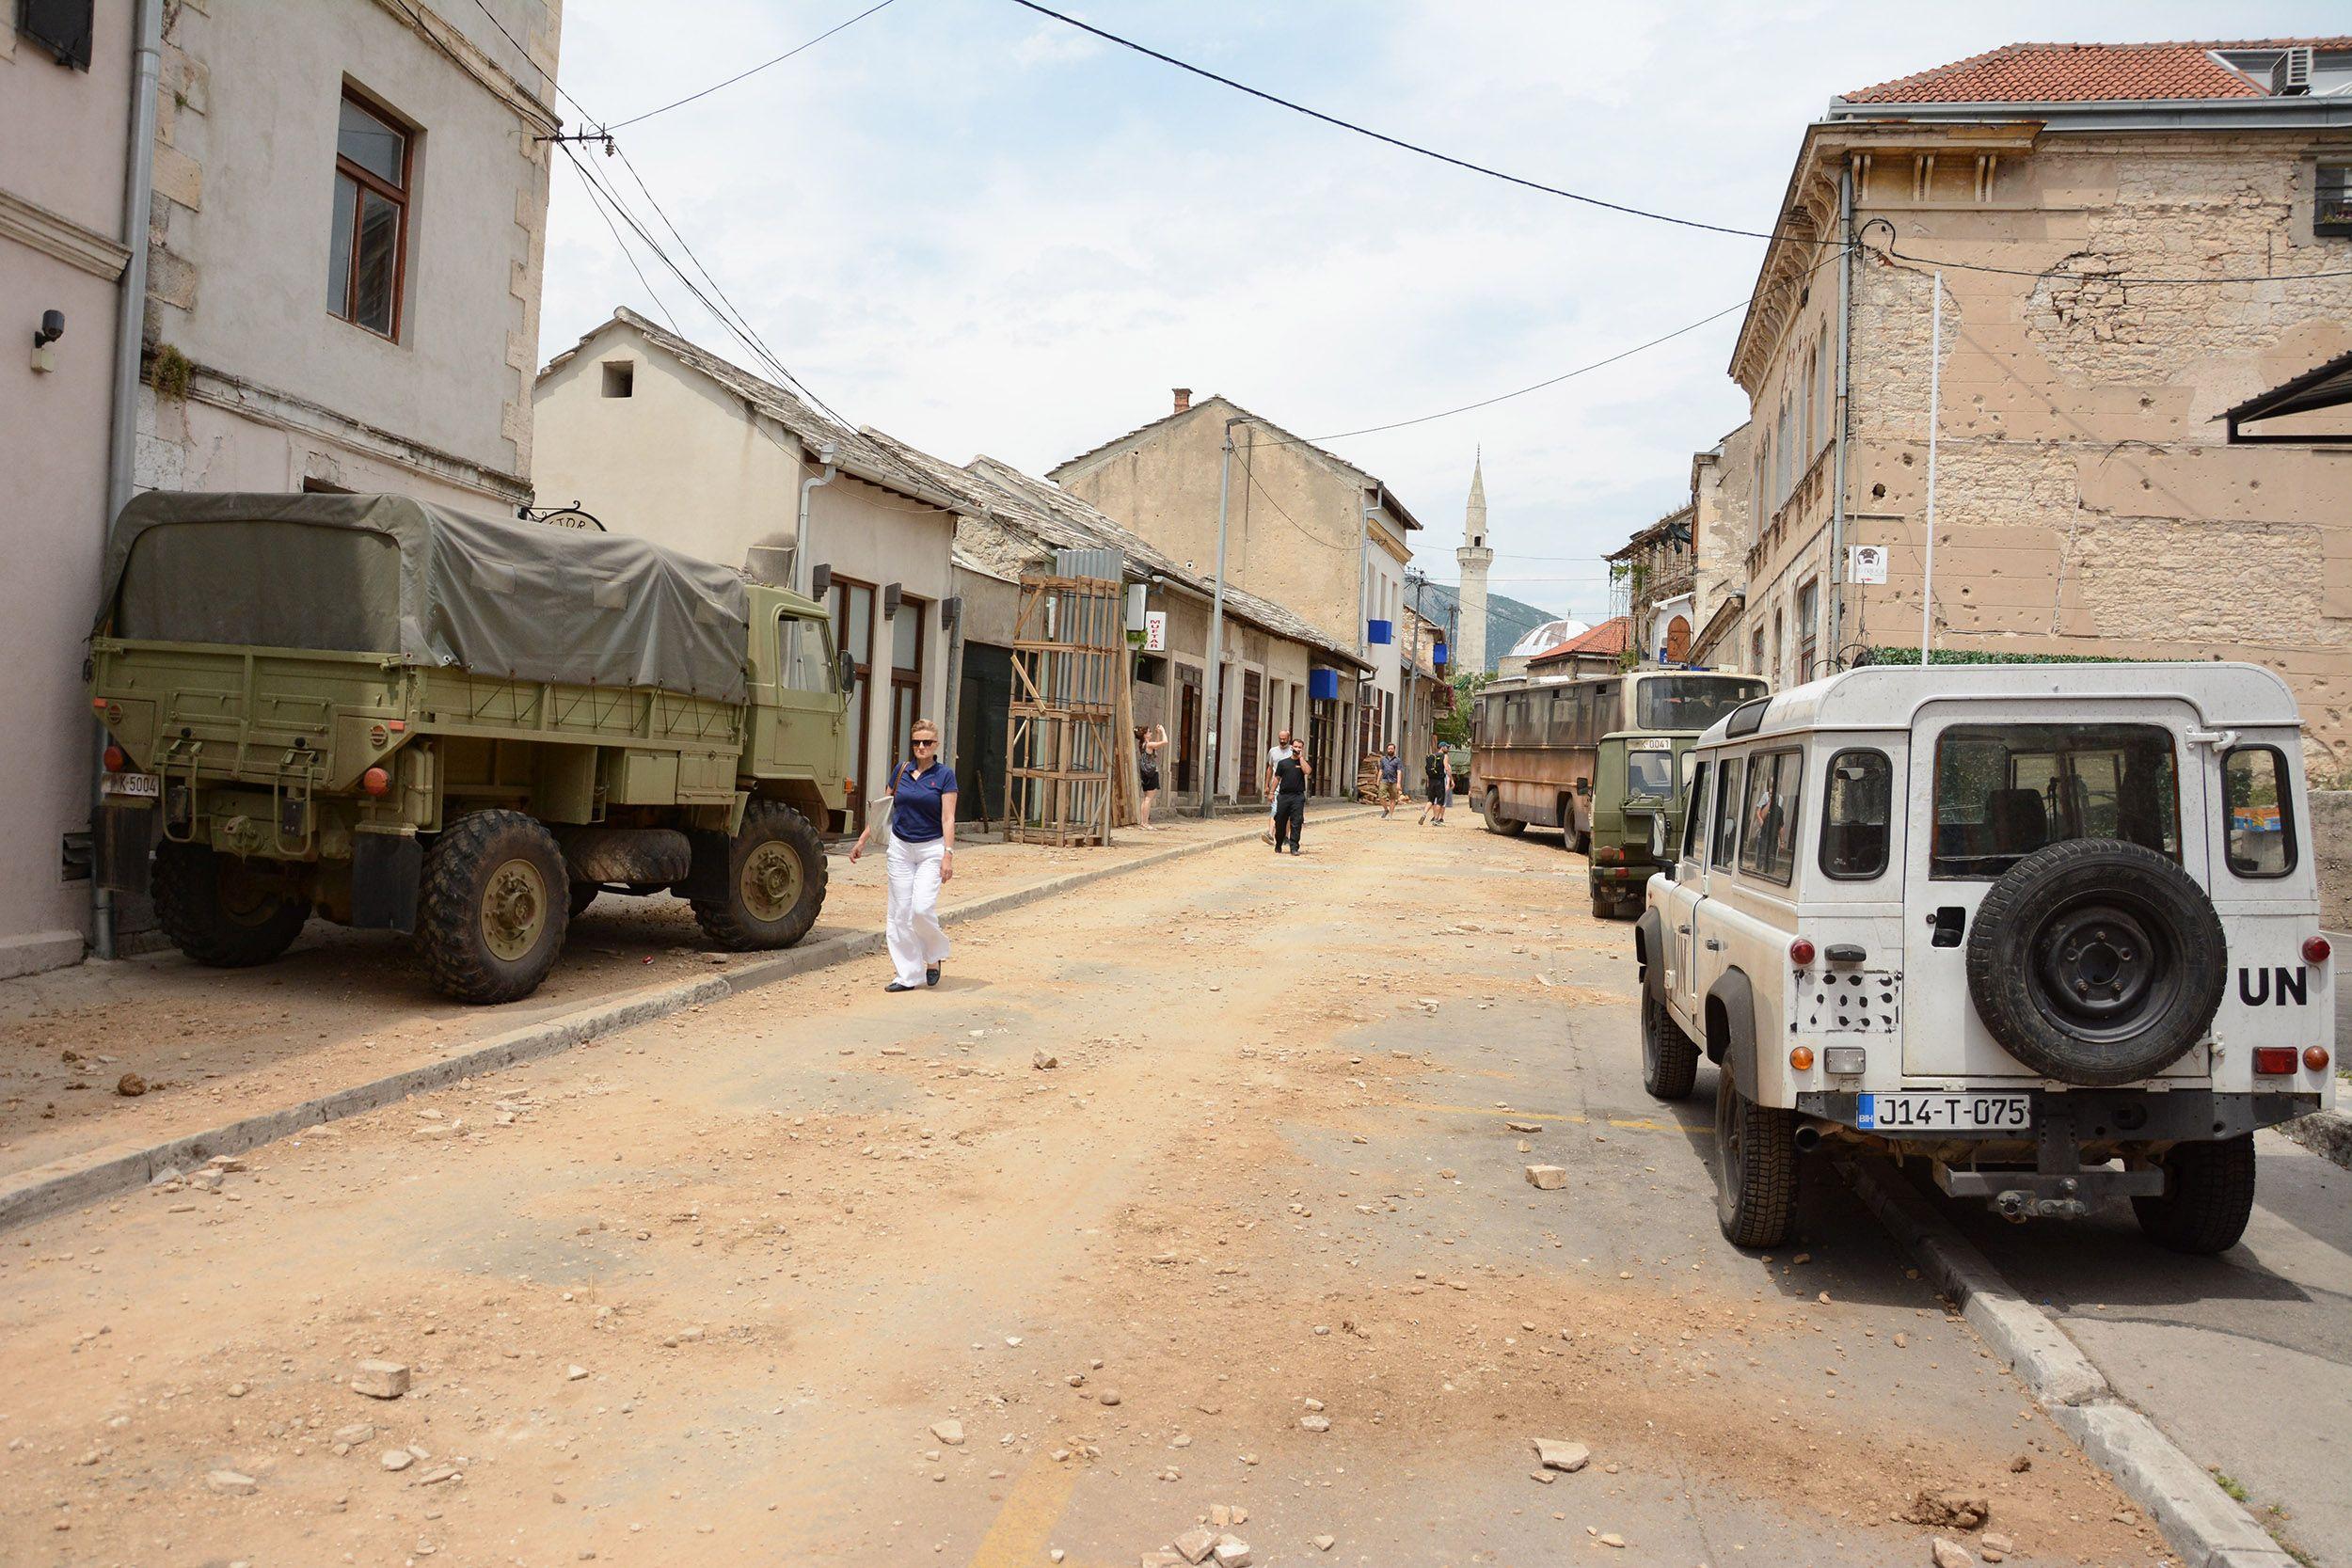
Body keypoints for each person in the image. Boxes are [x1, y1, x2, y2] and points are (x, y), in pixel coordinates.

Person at [849, 720, 956, 992]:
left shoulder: (944, 776)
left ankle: (933, 956)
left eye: (927, 742)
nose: (921, 747)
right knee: (899, 914)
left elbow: (948, 818)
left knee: (920, 909)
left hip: (931, 848)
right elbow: (883, 811)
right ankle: (907, 975)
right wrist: (863, 839)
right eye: (917, 742)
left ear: (936, 745)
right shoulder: (901, 771)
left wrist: (948, 855)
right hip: (900, 848)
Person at [1263, 728, 1297, 844]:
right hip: (1276, 786)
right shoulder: (1273, 751)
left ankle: (1285, 836)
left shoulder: (1293, 752)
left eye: (1284, 739)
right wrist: (1267, 785)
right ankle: (1270, 834)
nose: (1282, 741)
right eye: (1280, 739)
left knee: (1286, 813)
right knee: (1275, 809)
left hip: (1289, 787)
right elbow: (1269, 768)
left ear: (1289, 738)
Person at [1272, 744, 1310, 852]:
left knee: (1296, 822)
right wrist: (1271, 792)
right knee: (1280, 821)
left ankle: (1294, 847)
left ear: (1302, 749)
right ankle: (1278, 843)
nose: (1297, 749)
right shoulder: (1283, 763)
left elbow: (1307, 771)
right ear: (1291, 748)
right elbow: (1277, 778)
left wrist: (1301, 758)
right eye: (1295, 746)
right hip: (1284, 796)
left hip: (1298, 796)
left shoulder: (1303, 763)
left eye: (1300, 747)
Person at [1135, 723, 1167, 830]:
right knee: (1149, 798)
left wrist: (1157, 734)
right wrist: (1162, 731)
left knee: (1145, 798)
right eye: (1149, 732)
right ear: (1145, 735)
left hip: (1145, 773)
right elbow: (1165, 742)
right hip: (1152, 773)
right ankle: (1145, 823)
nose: (1151, 733)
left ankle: (1143, 822)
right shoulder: (1148, 745)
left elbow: (1155, 745)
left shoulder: (1144, 744)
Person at [1420, 739, 1451, 826]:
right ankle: (1436, 820)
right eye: (1446, 747)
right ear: (1442, 747)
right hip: (1440, 781)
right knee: (1440, 801)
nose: (1447, 748)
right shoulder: (1444, 756)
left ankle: (1424, 814)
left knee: (1430, 800)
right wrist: (1450, 779)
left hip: (1432, 780)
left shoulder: (1432, 756)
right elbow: (1447, 768)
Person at [1377, 743, 1402, 818]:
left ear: (1394, 750)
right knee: (1381, 796)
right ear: (1387, 750)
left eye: (1392, 749)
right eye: (1389, 749)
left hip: (1394, 781)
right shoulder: (1383, 759)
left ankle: (1390, 815)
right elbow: (1381, 770)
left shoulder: (1398, 760)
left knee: (1393, 798)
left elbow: (1399, 772)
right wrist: (1378, 780)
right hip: (1384, 780)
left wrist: (1398, 783)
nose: (1390, 750)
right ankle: (1385, 809)